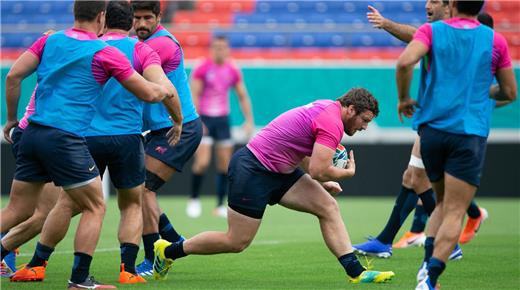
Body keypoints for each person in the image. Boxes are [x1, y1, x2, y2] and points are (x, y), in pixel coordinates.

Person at [1, 0, 176, 288]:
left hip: (31, 133)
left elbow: (13, 76)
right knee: (95, 206)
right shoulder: (104, 52)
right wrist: (164, 89)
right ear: (101, 16)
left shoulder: (49, 40)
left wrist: (9, 119)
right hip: (64, 139)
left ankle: (33, 262)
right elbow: (147, 93)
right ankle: (79, 280)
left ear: (75, 14)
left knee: (17, 210)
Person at [152, 88, 395, 284]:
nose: (364, 127)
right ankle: (168, 252)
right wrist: (343, 174)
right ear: (351, 109)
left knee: (328, 207)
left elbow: (300, 151)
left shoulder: (328, 108)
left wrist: (325, 179)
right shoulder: (332, 122)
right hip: (253, 170)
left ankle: (356, 272)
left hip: (281, 172)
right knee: (236, 242)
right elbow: (317, 169)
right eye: (364, 120)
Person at [353, 0, 487, 259]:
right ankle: (386, 240)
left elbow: (409, 52)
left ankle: (448, 241)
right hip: (442, 122)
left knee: (421, 181)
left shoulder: (445, 34)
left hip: (441, 124)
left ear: (451, 7)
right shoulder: (463, 35)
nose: (428, 5)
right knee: (412, 178)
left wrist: (386, 24)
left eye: (435, 1)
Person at [396, 0, 516, 288]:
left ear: (451, 4)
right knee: (453, 210)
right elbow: (510, 92)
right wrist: (481, 92)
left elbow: (404, 62)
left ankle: (425, 267)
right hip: (469, 133)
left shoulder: (431, 31)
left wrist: (403, 98)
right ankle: (430, 278)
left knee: (440, 203)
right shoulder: (494, 39)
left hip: (432, 131)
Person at [130, 0, 203, 277]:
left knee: (142, 189)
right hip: (163, 129)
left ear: (159, 17)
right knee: (141, 190)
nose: (142, 24)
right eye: (136, 18)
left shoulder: (161, 44)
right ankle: (172, 241)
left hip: (179, 128)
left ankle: (152, 258)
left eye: (148, 17)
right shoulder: (139, 42)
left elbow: (123, 67)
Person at [187, 35, 254, 219]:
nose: (220, 50)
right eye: (216, 47)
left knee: (224, 165)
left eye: (223, 47)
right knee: (202, 163)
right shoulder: (202, 67)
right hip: (205, 119)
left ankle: (219, 205)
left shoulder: (232, 69)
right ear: (211, 49)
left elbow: (242, 95)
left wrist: (249, 120)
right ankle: (194, 199)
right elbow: (195, 94)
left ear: (228, 49)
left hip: (223, 120)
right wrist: (197, 120)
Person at [0, 88, 60, 278]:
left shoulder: (57, 61)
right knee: (32, 212)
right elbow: (13, 77)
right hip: (43, 138)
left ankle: (6, 256)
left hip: (38, 135)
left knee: (37, 213)